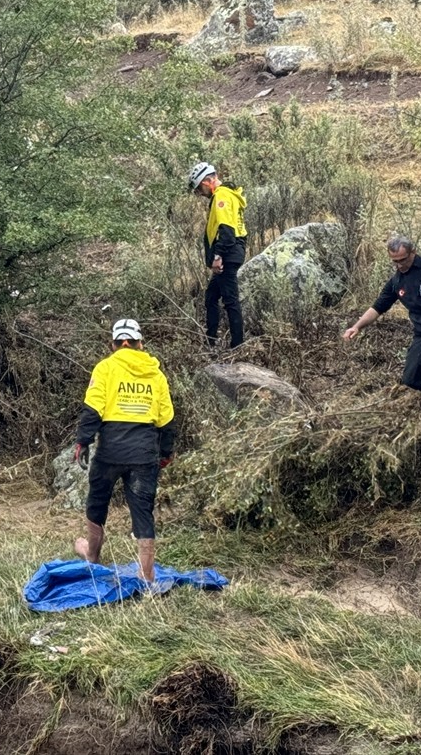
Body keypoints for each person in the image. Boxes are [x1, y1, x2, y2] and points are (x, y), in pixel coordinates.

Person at [73, 318, 177, 583]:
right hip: (144, 454)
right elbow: (166, 420)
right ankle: (147, 574)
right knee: (143, 510)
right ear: (140, 344)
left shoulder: (106, 368)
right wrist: (166, 452)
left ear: (114, 345)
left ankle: (93, 556)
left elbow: (93, 409)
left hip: (110, 451)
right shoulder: (156, 374)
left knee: (97, 503)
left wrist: (82, 442)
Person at [342, 235, 421, 395]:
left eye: (403, 259)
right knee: (410, 381)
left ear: (413, 252)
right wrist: (356, 327)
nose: (400, 265)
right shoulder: (396, 282)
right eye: (395, 261)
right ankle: (418, 411)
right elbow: (378, 307)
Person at [188, 161, 247, 348]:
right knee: (211, 296)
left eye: (198, 189)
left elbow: (227, 230)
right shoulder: (227, 195)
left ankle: (237, 345)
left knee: (230, 300)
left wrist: (217, 256)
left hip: (228, 253)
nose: (199, 194)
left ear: (206, 182)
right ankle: (211, 339)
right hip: (232, 251)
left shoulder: (221, 197)